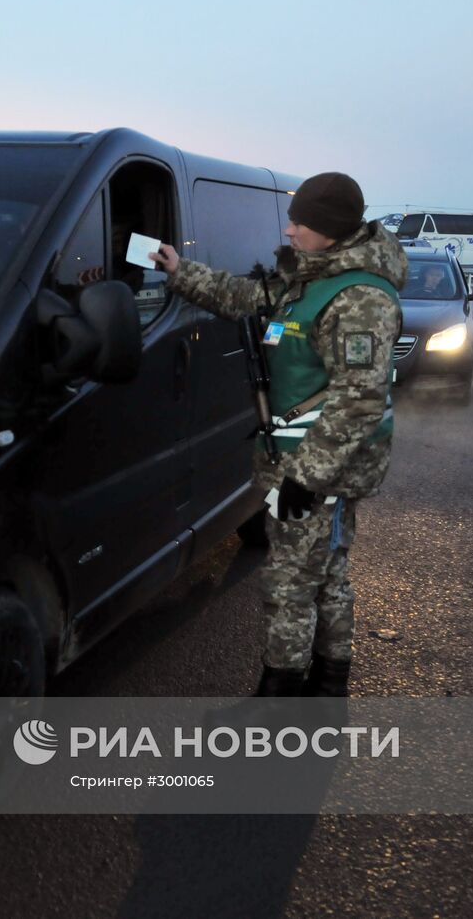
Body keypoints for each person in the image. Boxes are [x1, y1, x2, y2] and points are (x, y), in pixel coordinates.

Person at [149, 172, 407, 697]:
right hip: (306, 461)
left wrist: (306, 480)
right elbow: (246, 296)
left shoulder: (359, 299)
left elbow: (358, 400)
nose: (289, 230)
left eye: (300, 222)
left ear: (330, 229)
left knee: (290, 583)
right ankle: (329, 685)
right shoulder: (313, 277)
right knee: (328, 573)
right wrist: (179, 270)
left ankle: (280, 696)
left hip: (320, 468)